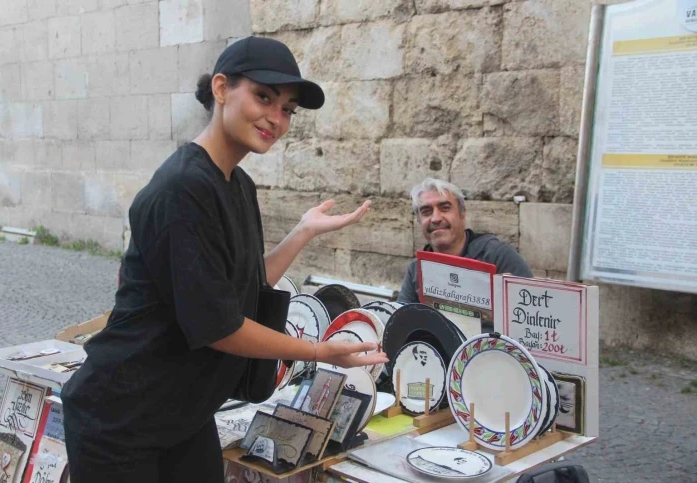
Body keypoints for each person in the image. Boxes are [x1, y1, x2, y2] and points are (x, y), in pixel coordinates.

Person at [61, 36, 388, 483]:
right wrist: (318, 351)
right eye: (264, 97)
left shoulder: (237, 184)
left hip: (182, 413)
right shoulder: (182, 188)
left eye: (288, 109)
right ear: (221, 89)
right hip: (122, 418)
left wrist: (302, 232)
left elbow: (247, 289)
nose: (277, 118)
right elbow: (220, 326)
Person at [398, 178, 533, 304]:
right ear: (419, 221)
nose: (435, 218)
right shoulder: (416, 270)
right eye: (426, 212)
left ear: (462, 214)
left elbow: (532, 314)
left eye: (445, 208)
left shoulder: (498, 256)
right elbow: (402, 323)